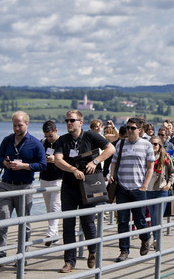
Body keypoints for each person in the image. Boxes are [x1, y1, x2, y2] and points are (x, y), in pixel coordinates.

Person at [53, 110, 115, 273]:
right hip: (69, 185)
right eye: (67, 120)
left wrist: (95, 161)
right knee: (68, 224)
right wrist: (73, 169)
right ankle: (69, 261)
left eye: (72, 120)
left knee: (87, 222)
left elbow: (111, 149)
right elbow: (58, 160)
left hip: (88, 185)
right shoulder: (62, 140)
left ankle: (92, 251)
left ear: (81, 122)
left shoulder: (90, 136)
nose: (69, 123)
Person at [0, 111, 46, 264]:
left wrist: (24, 166)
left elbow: (43, 165)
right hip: (6, 185)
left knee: (24, 223)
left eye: (20, 125)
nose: (16, 128)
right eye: (14, 125)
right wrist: (4, 163)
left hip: (25, 187)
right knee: (1, 219)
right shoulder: (7, 140)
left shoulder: (35, 143)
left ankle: (22, 255)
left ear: (27, 124)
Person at [109, 117, 155, 262]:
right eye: (128, 127)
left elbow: (150, 167)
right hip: (122, 187)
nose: (129, 130)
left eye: (132, 128)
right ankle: (124, 250)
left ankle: (145, 238)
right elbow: (114, 162)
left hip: (138, 189)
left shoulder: (147, 145)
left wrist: (145, 186)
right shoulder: (121, 144)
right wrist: (111, 175)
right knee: (122, 221)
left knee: (140, 219)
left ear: (140, 130)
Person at [146, 136, 174, 250]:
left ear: (160, 146)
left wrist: (168, 184)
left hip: (161, 190)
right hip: (149, 190)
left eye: (155, 144)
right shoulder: (145, 157)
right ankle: (154, 238)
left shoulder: (165, 157)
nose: (153, 146)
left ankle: (157, 240)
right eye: (151, 144)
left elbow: (172, 172)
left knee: (158, 217)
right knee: (153, 217)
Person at [39, 120, 63, 246]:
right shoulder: (42, 143)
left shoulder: (62, 142)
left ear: (56, 131)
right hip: (44, 178)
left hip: (58, 179)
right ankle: (55, 235)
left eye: (50, 135)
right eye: (46, 135)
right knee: (49, 208)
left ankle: (50, 233)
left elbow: (68, 159)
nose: (48, 138)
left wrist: (56, 160)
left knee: (55, 206)